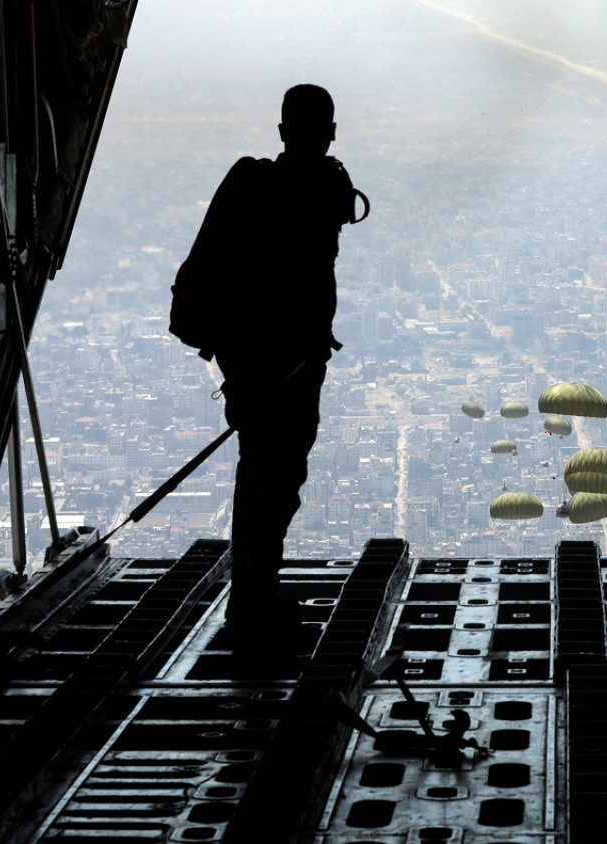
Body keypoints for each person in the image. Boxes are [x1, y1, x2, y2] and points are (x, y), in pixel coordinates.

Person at [175, 83, 365, 651]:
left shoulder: (262, 185)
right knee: (271, 483)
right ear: (328, 132)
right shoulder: (303, 189)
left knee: (267, 479)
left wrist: (239, 363)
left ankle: (253, 596)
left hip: (267, 364)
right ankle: (252, 602)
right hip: (275, 367)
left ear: (283, 131)